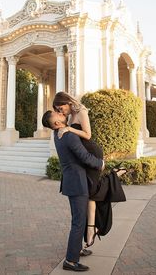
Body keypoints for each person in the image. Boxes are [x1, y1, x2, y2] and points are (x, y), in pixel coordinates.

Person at [42, 110, 104, 272]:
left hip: (72, 181)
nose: (60, 113)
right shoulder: (67, 136)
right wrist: (100, 163)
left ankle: (77, 250)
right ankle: (70, 260)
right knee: (78, 222)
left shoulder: (58, 134)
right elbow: (84, 156)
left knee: (80, 218)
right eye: (57, 114)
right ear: (56, 123)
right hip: (77, 183)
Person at [52, 91, 103, 248]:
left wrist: (69, 129)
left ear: (67, 102)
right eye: (58, 110)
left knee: (92, 194)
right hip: (82, 157)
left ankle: (90, 229)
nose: (61, 112)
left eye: (61, 108)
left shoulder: (81, 111)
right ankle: (88, 232)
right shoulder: (68, 115)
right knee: (87, 195)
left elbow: (88, 135)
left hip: (91, 153)